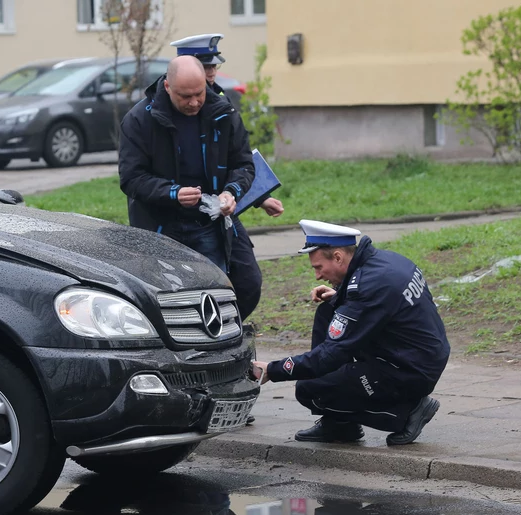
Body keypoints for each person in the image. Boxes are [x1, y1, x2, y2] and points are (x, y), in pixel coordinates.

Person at [250, 219, 450, 445]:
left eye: (318, 267)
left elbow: (329, 355)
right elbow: (377, 308)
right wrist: (340, 296)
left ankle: (408, 413)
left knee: (309, 389)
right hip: (418, 354)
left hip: (410, 371)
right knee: (328, 312)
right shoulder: (386, 261)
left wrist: (273, 370)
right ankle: (340, 425)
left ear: (338, 257)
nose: (317, 276)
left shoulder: (369, 287)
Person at [119, 56, 261, 319]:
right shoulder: (139, 119)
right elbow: (131, 178)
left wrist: (231, 192)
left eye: (199, 94)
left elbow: (243, 164)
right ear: (168, 86)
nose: (194, 102)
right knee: (172, 299)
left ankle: (222, 340)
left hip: (210, 221)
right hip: (160, 226)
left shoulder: (222, 111)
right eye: (185, 96)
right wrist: (172, 193)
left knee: (238, 287)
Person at [167, 33, 284, 319]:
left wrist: (259, 197)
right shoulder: (158, 112)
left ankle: (228, 330)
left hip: (223, 211)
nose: (210, 74)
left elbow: (239, 158)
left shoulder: (221, 103)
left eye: (212, 68)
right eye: (204, 68)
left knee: (247, 281)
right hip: (177, 218)